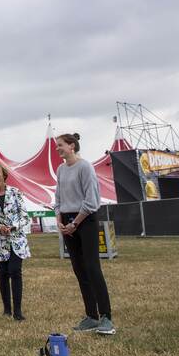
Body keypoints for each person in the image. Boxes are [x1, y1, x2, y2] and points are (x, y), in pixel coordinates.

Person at [54, 132, 115, 336]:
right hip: (68, 221)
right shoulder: (61, 169)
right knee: (79, 269)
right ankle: (91, 316)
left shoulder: (85, 167)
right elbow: (58, 198)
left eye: (60, 145)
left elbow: (91, 200)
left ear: (72, 146)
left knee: (92, 267)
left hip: (86, 220)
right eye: (57, 145)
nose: (57, 148)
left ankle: (106, 317)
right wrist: (60, 221)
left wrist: (75, 223)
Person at [0, 162, 30, 321]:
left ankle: (18, 311)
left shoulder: (16, 193)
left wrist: (13, 227)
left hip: (16, 240)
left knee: (15, 272)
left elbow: (25, 217)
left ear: (4, 174)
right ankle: (7, 309)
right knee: (3, 275)